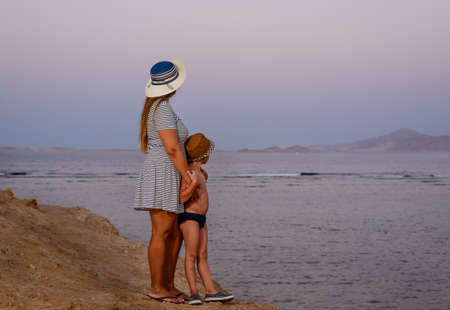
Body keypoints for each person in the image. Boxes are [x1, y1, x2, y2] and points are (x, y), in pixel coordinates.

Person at [134, 60, 199, 304]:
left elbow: (175, 147)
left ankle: (168, 285)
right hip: (163, 173)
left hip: (168, 172)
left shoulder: (161, 108)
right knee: (162, 232)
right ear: (173, 85)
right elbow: (172, 149)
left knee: (173, 233)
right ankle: (157, 288)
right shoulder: (161, 109)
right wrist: (187, 177)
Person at [178, 133, 234, 305]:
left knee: (203, 255)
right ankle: (194, 293)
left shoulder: (199, 171)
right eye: (209, 152)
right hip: (190, 218)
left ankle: (211, 292)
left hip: (202, 218)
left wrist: (201, 176)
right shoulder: (189, 173)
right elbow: (181, 198)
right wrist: (193, 184)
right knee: (191, 255)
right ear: (203, 154)